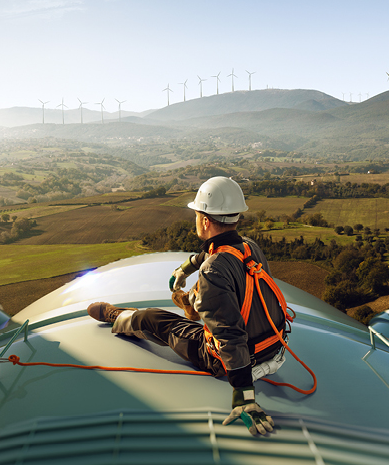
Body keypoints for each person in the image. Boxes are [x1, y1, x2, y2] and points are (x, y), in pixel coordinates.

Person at [87, 176, 289, 437]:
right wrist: (186, 268)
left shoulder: (213, 270)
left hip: (234, 360)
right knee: (208, 294)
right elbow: (214, 253)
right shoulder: (249, 246)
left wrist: (244, 396)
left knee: (153, 318)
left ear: (205, 220)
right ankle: (193, 302)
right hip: (274, 347)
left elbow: (230, 336)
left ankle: (118, 317)